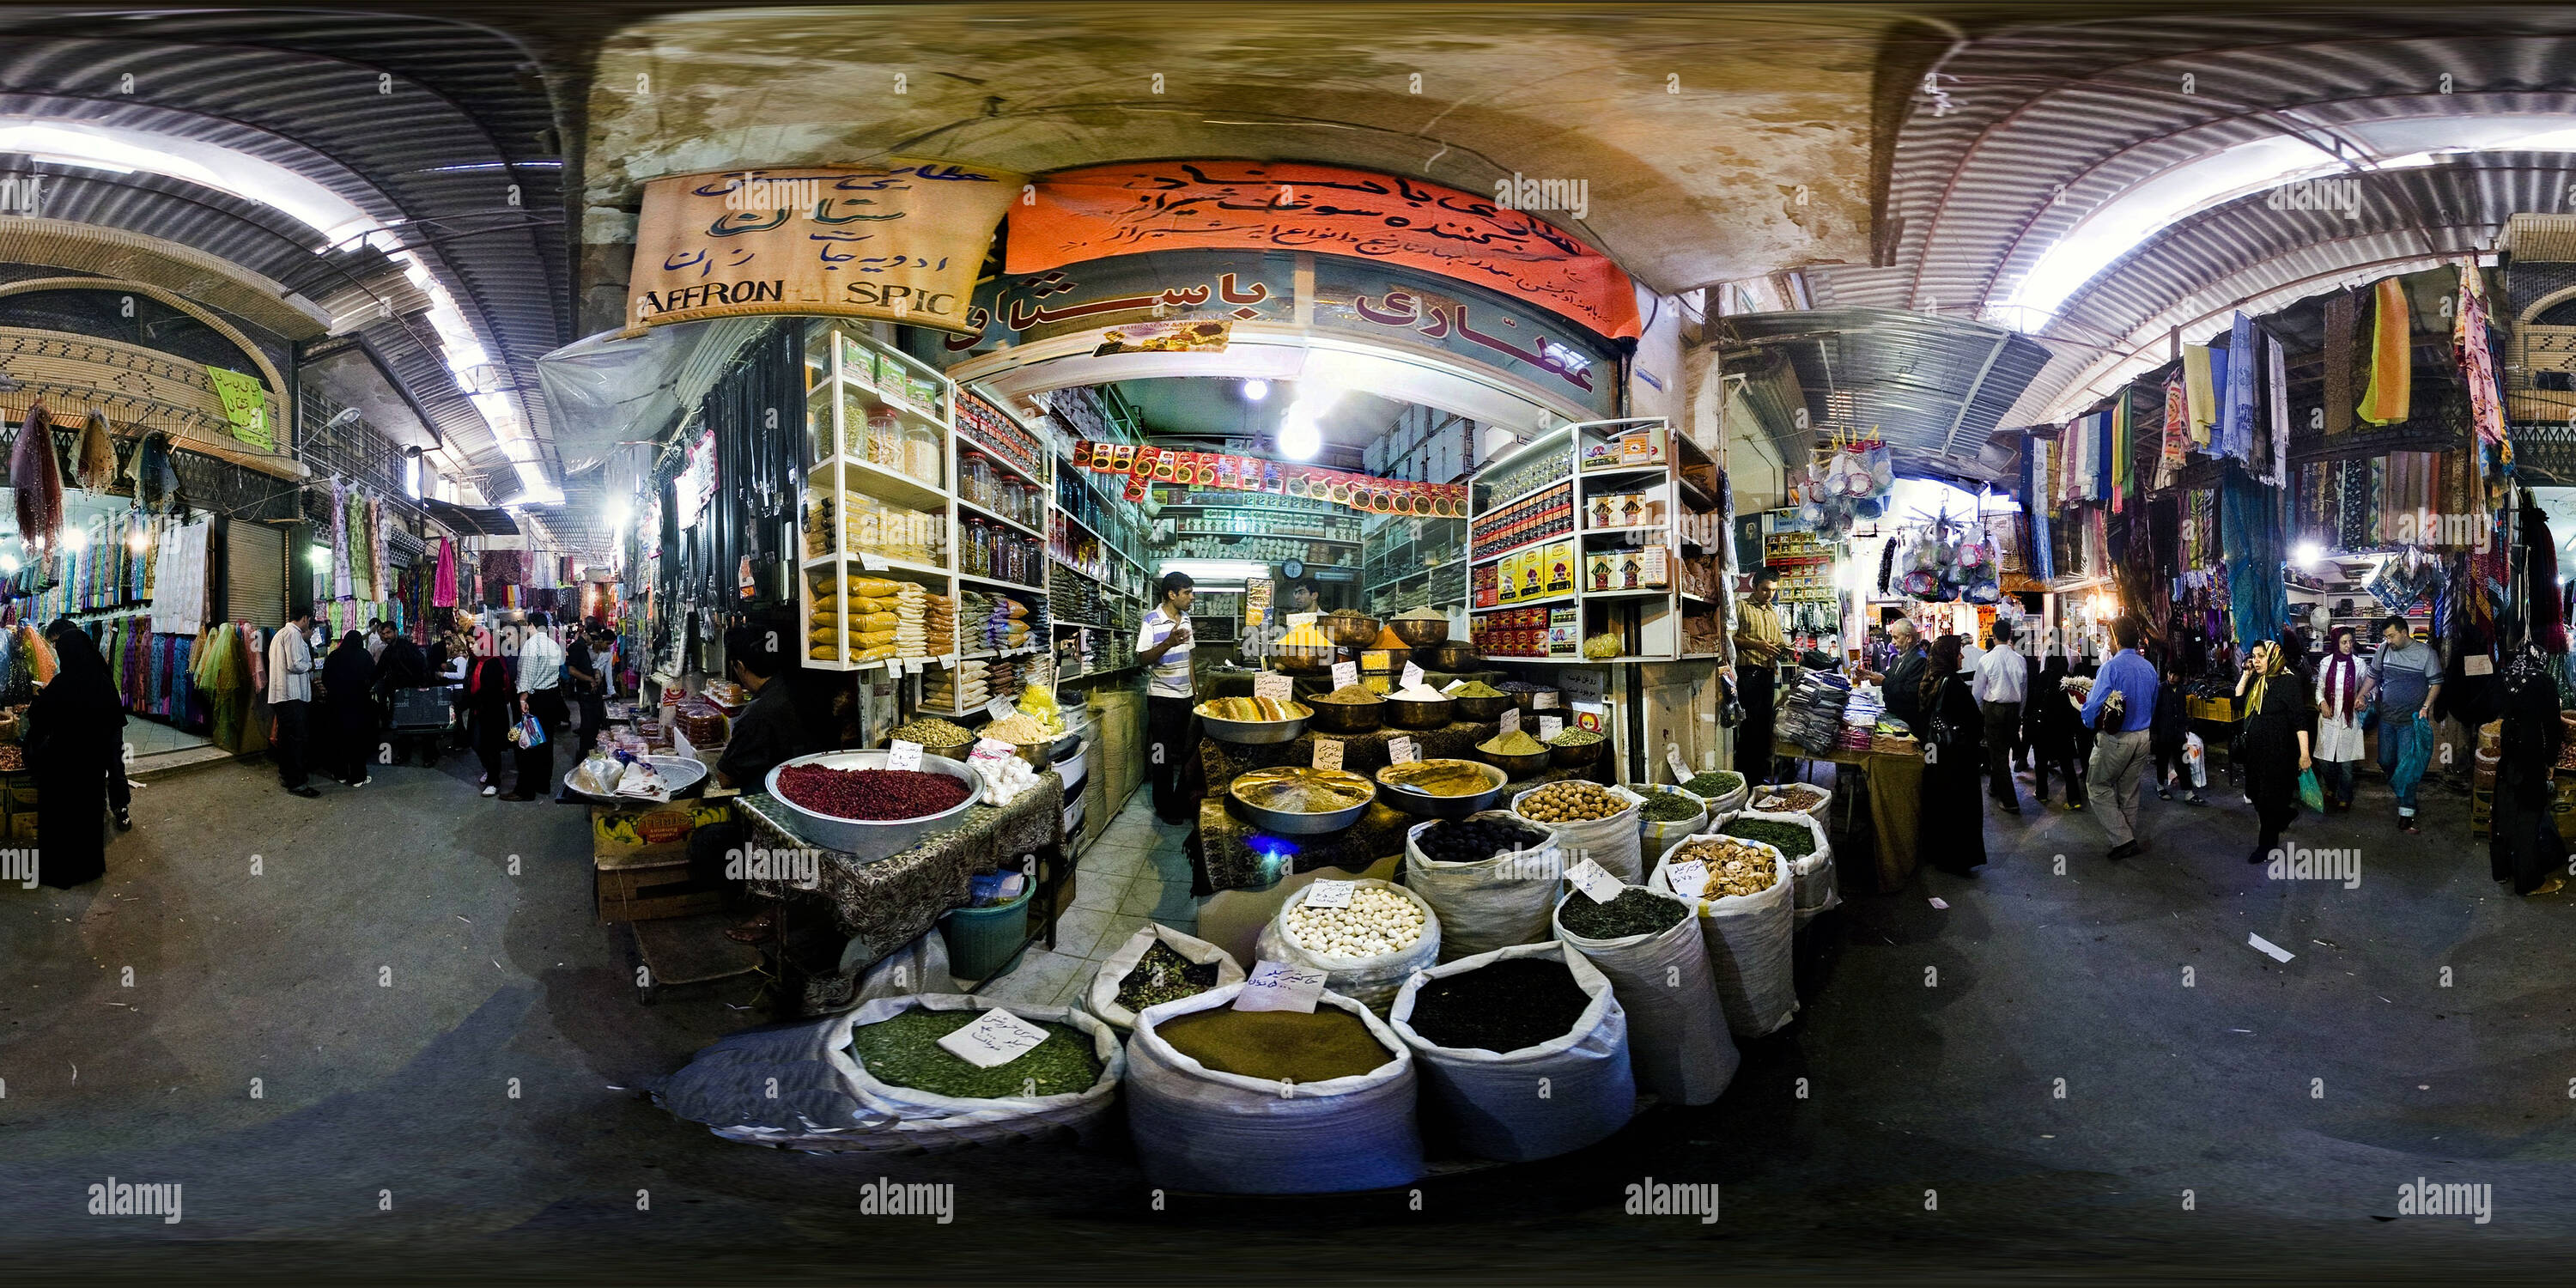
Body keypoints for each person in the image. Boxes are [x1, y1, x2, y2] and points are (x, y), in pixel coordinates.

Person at [699, 623, 812, 945]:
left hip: (776, 817)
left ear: (739, 667)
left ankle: (769, 909)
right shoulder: (797, 688)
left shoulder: (758, 713)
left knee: (707, 843)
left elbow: (724, 778)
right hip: (805, 803)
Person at [26, 620, 125, 886]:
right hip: (91, 767)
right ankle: (88, 868)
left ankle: (60, 871)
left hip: (63, 765)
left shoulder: (63, 683)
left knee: (61, 818)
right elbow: (114, 722)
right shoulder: (102, 681)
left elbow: (39, 717)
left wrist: (39, 699)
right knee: (87, 816)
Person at [2079, 617, 2160, 860]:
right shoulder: (2149, 667)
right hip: (2143, 737)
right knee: (2130, 789)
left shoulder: (2111, 668)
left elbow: (2093, 705)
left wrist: (2087, 720)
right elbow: (2153, 703)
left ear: (2114, 638)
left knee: (2097, 786)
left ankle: (2123, 838)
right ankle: (2127, 837)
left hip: (2117, 739)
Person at [2237, 641, 2315, 866]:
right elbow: (2237, 701)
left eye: (2261, 656)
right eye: (2254, 656)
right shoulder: (2257, 680)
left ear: (2274, 657)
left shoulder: (2288, 682)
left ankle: (2266, 845)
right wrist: (2246, 674)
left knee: (2267, 799)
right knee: (2253, 793)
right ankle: (2284, 814)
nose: (2256, 660)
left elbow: (2300, 720)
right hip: (2255, 752)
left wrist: (2305, 754)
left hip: (2278, 753)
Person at [1917, 635, 1987, 875]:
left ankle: (1938, 853)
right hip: (1956, 757)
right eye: (1958, 652)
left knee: (1939, 802)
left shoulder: (1930, 679)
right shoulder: (1953, 683)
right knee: (1959, 807)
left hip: (1934, 753)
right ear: (1948, 655)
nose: (1962, 656)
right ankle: (1956, 859)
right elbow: (1973, 720)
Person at [1137, 571, 1201, 824]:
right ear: (1172, 594)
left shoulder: (1186, 619)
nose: (1191, 597)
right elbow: (1142, 658)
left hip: (1185, 698)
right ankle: (1164, 806)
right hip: (1162, 698)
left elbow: (1190, 658)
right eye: (1187, 592)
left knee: (1188, 753)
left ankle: (1182, 801)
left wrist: (1196, 691)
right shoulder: (1151, 620)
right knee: (1161, 754)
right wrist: (1167, 643)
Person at [2370, 615, 2441, 835]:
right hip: (2387, 719)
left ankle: (2407, 811)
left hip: (2410, 722)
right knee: (2385, 760)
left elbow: (2436, 683)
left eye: (2391, 635)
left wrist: (2426, 706)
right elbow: (2373, 676)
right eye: (2386, 636)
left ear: (2404, 632)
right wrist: (2362, 696)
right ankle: (2404, 795)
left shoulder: (2426, 654)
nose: (2388, 640)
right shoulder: (2383, 649)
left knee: (2407, 767)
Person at [1732, 568, 1788, 785]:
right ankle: (1746, 778)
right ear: (1754, 587)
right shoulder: (1741, 607)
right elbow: (1730, 639)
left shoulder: (1772, 611)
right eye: (1765, 589)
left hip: (1766, 674)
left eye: (1773, 590)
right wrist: (1756, 645)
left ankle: (1759, 776)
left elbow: (1777, 641)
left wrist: (1785, 648)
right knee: (1750, 727)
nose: (1769, 594)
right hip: (1748, 674)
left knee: (1765, 726)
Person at [503, 611, 567, 802]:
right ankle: (543, 783)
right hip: (551, 697)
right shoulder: (555, 645)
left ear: (531, 625)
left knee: (527, 744)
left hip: (534, 700)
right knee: (545, 743)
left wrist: (523, 700)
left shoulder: (532, 645)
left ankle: (525, 790)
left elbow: (527, 677)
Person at [2312, 627, 2370, 812]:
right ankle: (2331, 787)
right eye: (2344, 642)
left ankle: (2345, 796)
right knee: (2325, 761)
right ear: (2337, 643)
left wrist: (2363, 699)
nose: (2348, 646)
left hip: (2348, 719)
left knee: (2346, 763)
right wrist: (2322, 703)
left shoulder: (2359, 664)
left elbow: (2369, 689)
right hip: (2329, 718)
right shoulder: (2326, 663)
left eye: (2350, 642)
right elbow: (2319, 688)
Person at [1972, 620, 2027, 815]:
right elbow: (2024, 690)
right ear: (2010, 636)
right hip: (2013, 711)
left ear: (1993, 636)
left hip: (1994, 710)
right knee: (2002, 751)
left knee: (1999, 756)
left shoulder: (1986, 660)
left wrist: (1981, 714)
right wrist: (2019, 713)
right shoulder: (2020, 660)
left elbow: (1977, 692)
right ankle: (1995, 787)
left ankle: (2010, 801)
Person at [265, 610, 319, 798]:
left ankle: (287, 776)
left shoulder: (281, 634)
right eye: (309, 620)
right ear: (305, 618)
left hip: (282, 696)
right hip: (292, 695)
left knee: (287, 739)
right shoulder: (293, 634)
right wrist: (311, 665)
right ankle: (298, 784)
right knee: (297, 739)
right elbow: (295, 664)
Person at [2024, 653, 2087, 810]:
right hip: (2063, 728)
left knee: (2040, 762)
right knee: (2067, 765)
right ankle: (2074, 800)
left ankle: (2042, 794)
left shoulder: (2043, 677)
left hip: (2043, 727)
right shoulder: (2069, 679)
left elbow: (2033, 700)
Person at [320, 630, 377, 787]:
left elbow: (325, 678)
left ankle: (340, 774)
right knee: (357, 741)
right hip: (358, 704)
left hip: (336, 704)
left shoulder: (334, 656)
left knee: (338, 739)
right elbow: (372, 676)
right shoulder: (364, 656)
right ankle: (358, 778)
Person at [374, 623, 434, 766]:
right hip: (399, 694)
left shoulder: (407, 647)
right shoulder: (388, 652)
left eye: (388, 633)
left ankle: (429, 756)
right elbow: (379, 671)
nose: (386, 636)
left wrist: (423, 686)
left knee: (422, 724)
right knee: (402, 725)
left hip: (415, 691)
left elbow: (423, 665)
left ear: (395, 631)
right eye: (383, 634)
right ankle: (404, 754)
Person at [2150, 656, 2207, 805]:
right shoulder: (2161, 689)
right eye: (2169, 673)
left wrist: (2186, 727)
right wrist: (2154, 732)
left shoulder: (2182, 690)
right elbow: (2155, 712)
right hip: (2163, 733)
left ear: (2181, 676)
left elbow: (2182, 711)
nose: (2171, 676)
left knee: (2183, 762)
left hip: (2179, 733)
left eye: (2174, 674)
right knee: (2162, 760)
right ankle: (2160, 786)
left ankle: (2188, 792)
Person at [464, 643, 514, 798]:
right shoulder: (474, 661)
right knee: (476, 742)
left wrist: (472, 700)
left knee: (491, 746)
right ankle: (489, 769)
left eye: (474, 642)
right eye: (469, 642)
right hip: (477, 710)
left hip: (493, 712)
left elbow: (492, 690)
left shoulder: (493, 662)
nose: (471, 646)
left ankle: (494, 781)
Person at [1236, 577, 1319, 664]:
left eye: (1302, 593)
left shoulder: (1327, 620)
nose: (1297, 597)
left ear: (1314, 595)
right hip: (1296, 667)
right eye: (1296, 593)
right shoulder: (1294, 621)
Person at [1879, 617, 1928, 736]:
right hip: (1896, 719)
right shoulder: (1900, 657)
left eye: (1896, 637)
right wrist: (1873, 675)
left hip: (1908, 723)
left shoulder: (1919, 659)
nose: (1892, 642)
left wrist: (1883, 682)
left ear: (1909, 638)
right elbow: (1891, 675)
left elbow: (1910, 692)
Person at [566, 625, 610, 755]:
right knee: (587, 726)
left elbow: (586, 667)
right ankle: (584, 755)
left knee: (592, 725)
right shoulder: (576, 647)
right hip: (584, 693)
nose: (594, 641)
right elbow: (572, 670)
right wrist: (589, 679)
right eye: (593, 638)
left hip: (589, 692)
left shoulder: (583, 648)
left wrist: (595, 672)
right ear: (586, 634)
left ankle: (588, 752)